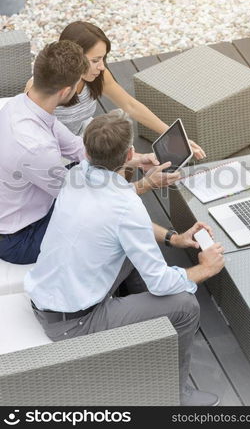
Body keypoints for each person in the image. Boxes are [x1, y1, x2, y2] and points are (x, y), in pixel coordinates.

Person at [24, 110, 225, 406]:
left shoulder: (76, 174)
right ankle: (178, 395)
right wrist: (205, 269)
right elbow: (159, 280)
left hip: (47, 298)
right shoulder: (125, 207)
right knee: (184, 304)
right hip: (74, 323)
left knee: (131, 254)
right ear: (129, 152)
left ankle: (149, 330)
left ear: (87, 151)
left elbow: (112, 201)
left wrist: (175, 238)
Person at [0, 41, 179, 265]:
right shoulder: (35, 147)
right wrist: (147, 185)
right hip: (21, 238)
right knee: (110, 225)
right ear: (66, 91)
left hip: (33, 199)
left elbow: (77, 148)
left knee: (110, 165)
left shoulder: (24, 105)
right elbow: (86, 203)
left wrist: (135, 160)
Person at [25, 21, 206, 159]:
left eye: (103, 58)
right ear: (74, 58)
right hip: (54, 148)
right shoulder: (45, 86)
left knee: (124, 153)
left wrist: (171, 135)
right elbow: (38, 138)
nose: (102, 67)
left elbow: (130, 105)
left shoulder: (99, 76)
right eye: (95, 60)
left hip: (81, 134)